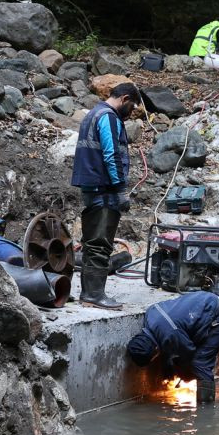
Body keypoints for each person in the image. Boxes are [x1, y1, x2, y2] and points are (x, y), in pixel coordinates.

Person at [71, 80, 141, 308]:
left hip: (92, 186)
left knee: (93, 241)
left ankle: (90, 294)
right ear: (125, 99)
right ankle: (93, 295)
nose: (130, 115)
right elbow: (111, 155)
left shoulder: (93, 113)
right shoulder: (109, 117)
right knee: (100, 243)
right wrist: (120, 189)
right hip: (104, 189)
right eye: (131, 108)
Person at [126, 291, 219, 404]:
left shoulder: (170, 334)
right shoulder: (150, 316)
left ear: (155, 351)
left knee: (201, 362)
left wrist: (182, 373)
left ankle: (205, 411)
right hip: (212, 304)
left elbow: (190, 352)